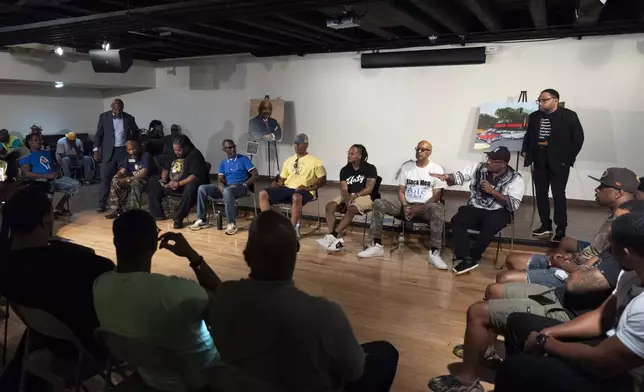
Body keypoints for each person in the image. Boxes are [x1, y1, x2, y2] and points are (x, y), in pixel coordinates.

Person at [170, 210, 399, 391]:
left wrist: (194, 257)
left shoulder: (223, 300)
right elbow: (353, 371)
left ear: (246, 254)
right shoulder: (325, 314)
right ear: (296, 250)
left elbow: (219, 289)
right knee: (384, 353)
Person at [495, 211, 644, 392]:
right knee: (517, 323)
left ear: (626, 253)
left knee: (514, 369)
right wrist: (548, 332)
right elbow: (599, 318)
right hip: (608, 346)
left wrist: (546, 343)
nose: (608, 256)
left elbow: (601, 362)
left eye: (612, 249)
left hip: (627, 378)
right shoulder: (630, 275)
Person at [0, 186, 114, 391]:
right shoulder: (67, 261)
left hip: (43, 333)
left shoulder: (5, 263)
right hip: (82, 347)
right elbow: (108, 269)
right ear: (45, 221)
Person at [94, 210, 217, 392]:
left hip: (150, 377)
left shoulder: (100, 285)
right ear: (154, 243)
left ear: (115, 242)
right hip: (200, 381)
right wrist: (193, 256)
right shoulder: (175, 292)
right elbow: (223, 301)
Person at [498, 167, 639, 287]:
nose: (597, 189)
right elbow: (594, 252)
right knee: (512, 259)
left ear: (618, 193)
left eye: (602, 186)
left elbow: (595, 269)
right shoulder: (616, 215)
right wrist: (569, 256)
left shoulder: (623, 227)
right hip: (577, 262)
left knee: (504, 278)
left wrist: (562, 264)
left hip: (578, 273)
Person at [431, 146, 525, 275]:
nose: (488, 162)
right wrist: (446, 176)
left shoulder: (515, 179)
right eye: (488, 158)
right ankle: (464, 257)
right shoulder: (479, 168)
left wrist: (493, 192)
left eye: (492, 160)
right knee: (457, 220)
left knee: (490, 224)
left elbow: (513, 204)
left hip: (499, 211)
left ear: (503, 164)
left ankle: (474, 256)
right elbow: (461, 176)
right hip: (477, 207)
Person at [359, 141, 448, 268]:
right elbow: (401, 191)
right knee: (379, 203)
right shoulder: (407, 167)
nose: (419, 152)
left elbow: (436, 196)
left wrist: (420, 208)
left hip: (425, 207)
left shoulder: (436, 168)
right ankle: (376, 244)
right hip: (406, 205)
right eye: (418, 149)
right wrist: (406, 205)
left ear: (429, 152)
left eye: (423, 150)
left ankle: (434, 252)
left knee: (438, 208)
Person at [523, 89, 585, 242]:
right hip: (539, 160)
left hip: (559, 162)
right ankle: (545, 225)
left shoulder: (569, 116)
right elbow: (529, 136)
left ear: (555, 100)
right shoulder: (534, 116)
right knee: (541, 195)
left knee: (558, 195)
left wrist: (567, 159)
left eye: (544, 100)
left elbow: (578, 139)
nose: (541, 103)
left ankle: (561, 228)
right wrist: (526, 151)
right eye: (539, 100)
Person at [259, 134, 326, 236]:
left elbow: (322, 180)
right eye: (295, 143)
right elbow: (282, 179)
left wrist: (308, 187)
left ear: (306, 145)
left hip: (305, 190)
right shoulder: (289, 160)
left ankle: (291, 230)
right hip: (287, 188)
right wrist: (278, 184)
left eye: (298, 143)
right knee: (263, 194)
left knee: (296, 197)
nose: (296, 146)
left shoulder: (315, 161)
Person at [317, 144, 378, 253]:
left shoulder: (370, 168)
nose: (348, 155)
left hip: (364, 196)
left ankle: (333, 235)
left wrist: (355, 197)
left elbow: (369, 188)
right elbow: (344, 190)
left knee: (352, 208)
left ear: (359, 155)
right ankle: (333, 237)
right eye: (348, 152)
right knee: (329, 206)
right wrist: (347, 199)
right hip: (348, 195)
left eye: (352, 153)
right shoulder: (344, 170)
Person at [189, 139, 258, 235]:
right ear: (224, 150)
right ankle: (202, 219)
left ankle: (231, 223)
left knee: (228, 191)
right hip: (227, 187)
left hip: (240, 186)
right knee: (202, 189)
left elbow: (255, 174)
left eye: (234, 146)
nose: (233, 149)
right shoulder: (223, 163)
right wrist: (220, 185)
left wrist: (245, 184)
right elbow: (220, 179)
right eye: (229, 148)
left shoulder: (243, 159)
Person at [148, 135, 209, 229]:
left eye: (179, 150)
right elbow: (166, 168)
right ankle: (157, 215)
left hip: (185, 185)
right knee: (153, 180)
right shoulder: (174, 154)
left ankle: (178, 218)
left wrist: (178, 184)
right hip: (172, 183)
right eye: (175, 150)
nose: (176, 152)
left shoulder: (195, 155)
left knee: (192, 187)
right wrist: (163, 180)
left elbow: (194, 175)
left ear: (186, 147)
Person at [94, 98, 140, 213]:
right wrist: (96, 150)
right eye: (116, 109)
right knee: (106, 178)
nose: (118, 111)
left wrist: (132, 145)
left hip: (123, 152)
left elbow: (136, 132)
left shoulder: (129, 118)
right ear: (112, 107)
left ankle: (124, 204)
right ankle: (102, 205)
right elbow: (98, 134)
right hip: (108, 152)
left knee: (125, 178)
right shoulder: (103, 117)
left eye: (120, 109)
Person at [19, 133, 81, 217]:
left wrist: (57, 171)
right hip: (41, 181)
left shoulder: (47, 153)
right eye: (36, 140)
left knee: (76, 184)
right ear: (30, 143)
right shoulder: (27, 157)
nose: (39, 142)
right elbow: (27, 173)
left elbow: (54, 165)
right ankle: (48, 211)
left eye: (40, 140)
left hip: (55, 178)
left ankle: (59, 206)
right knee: (51, 184)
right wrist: (47, 176)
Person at [105, 140, 154, 219]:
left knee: (135, 182)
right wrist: (117, 176)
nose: (133, 151)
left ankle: (135, 212)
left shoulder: (145, 156)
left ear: (138, 148)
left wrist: (127, 179)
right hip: (132, 179)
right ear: (127, 150)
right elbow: (122, 170)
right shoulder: (128, 158)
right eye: (130, 149)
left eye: (135, 149)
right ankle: (117, 210)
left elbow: (143, 174)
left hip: (146, 181)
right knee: (115, 181)